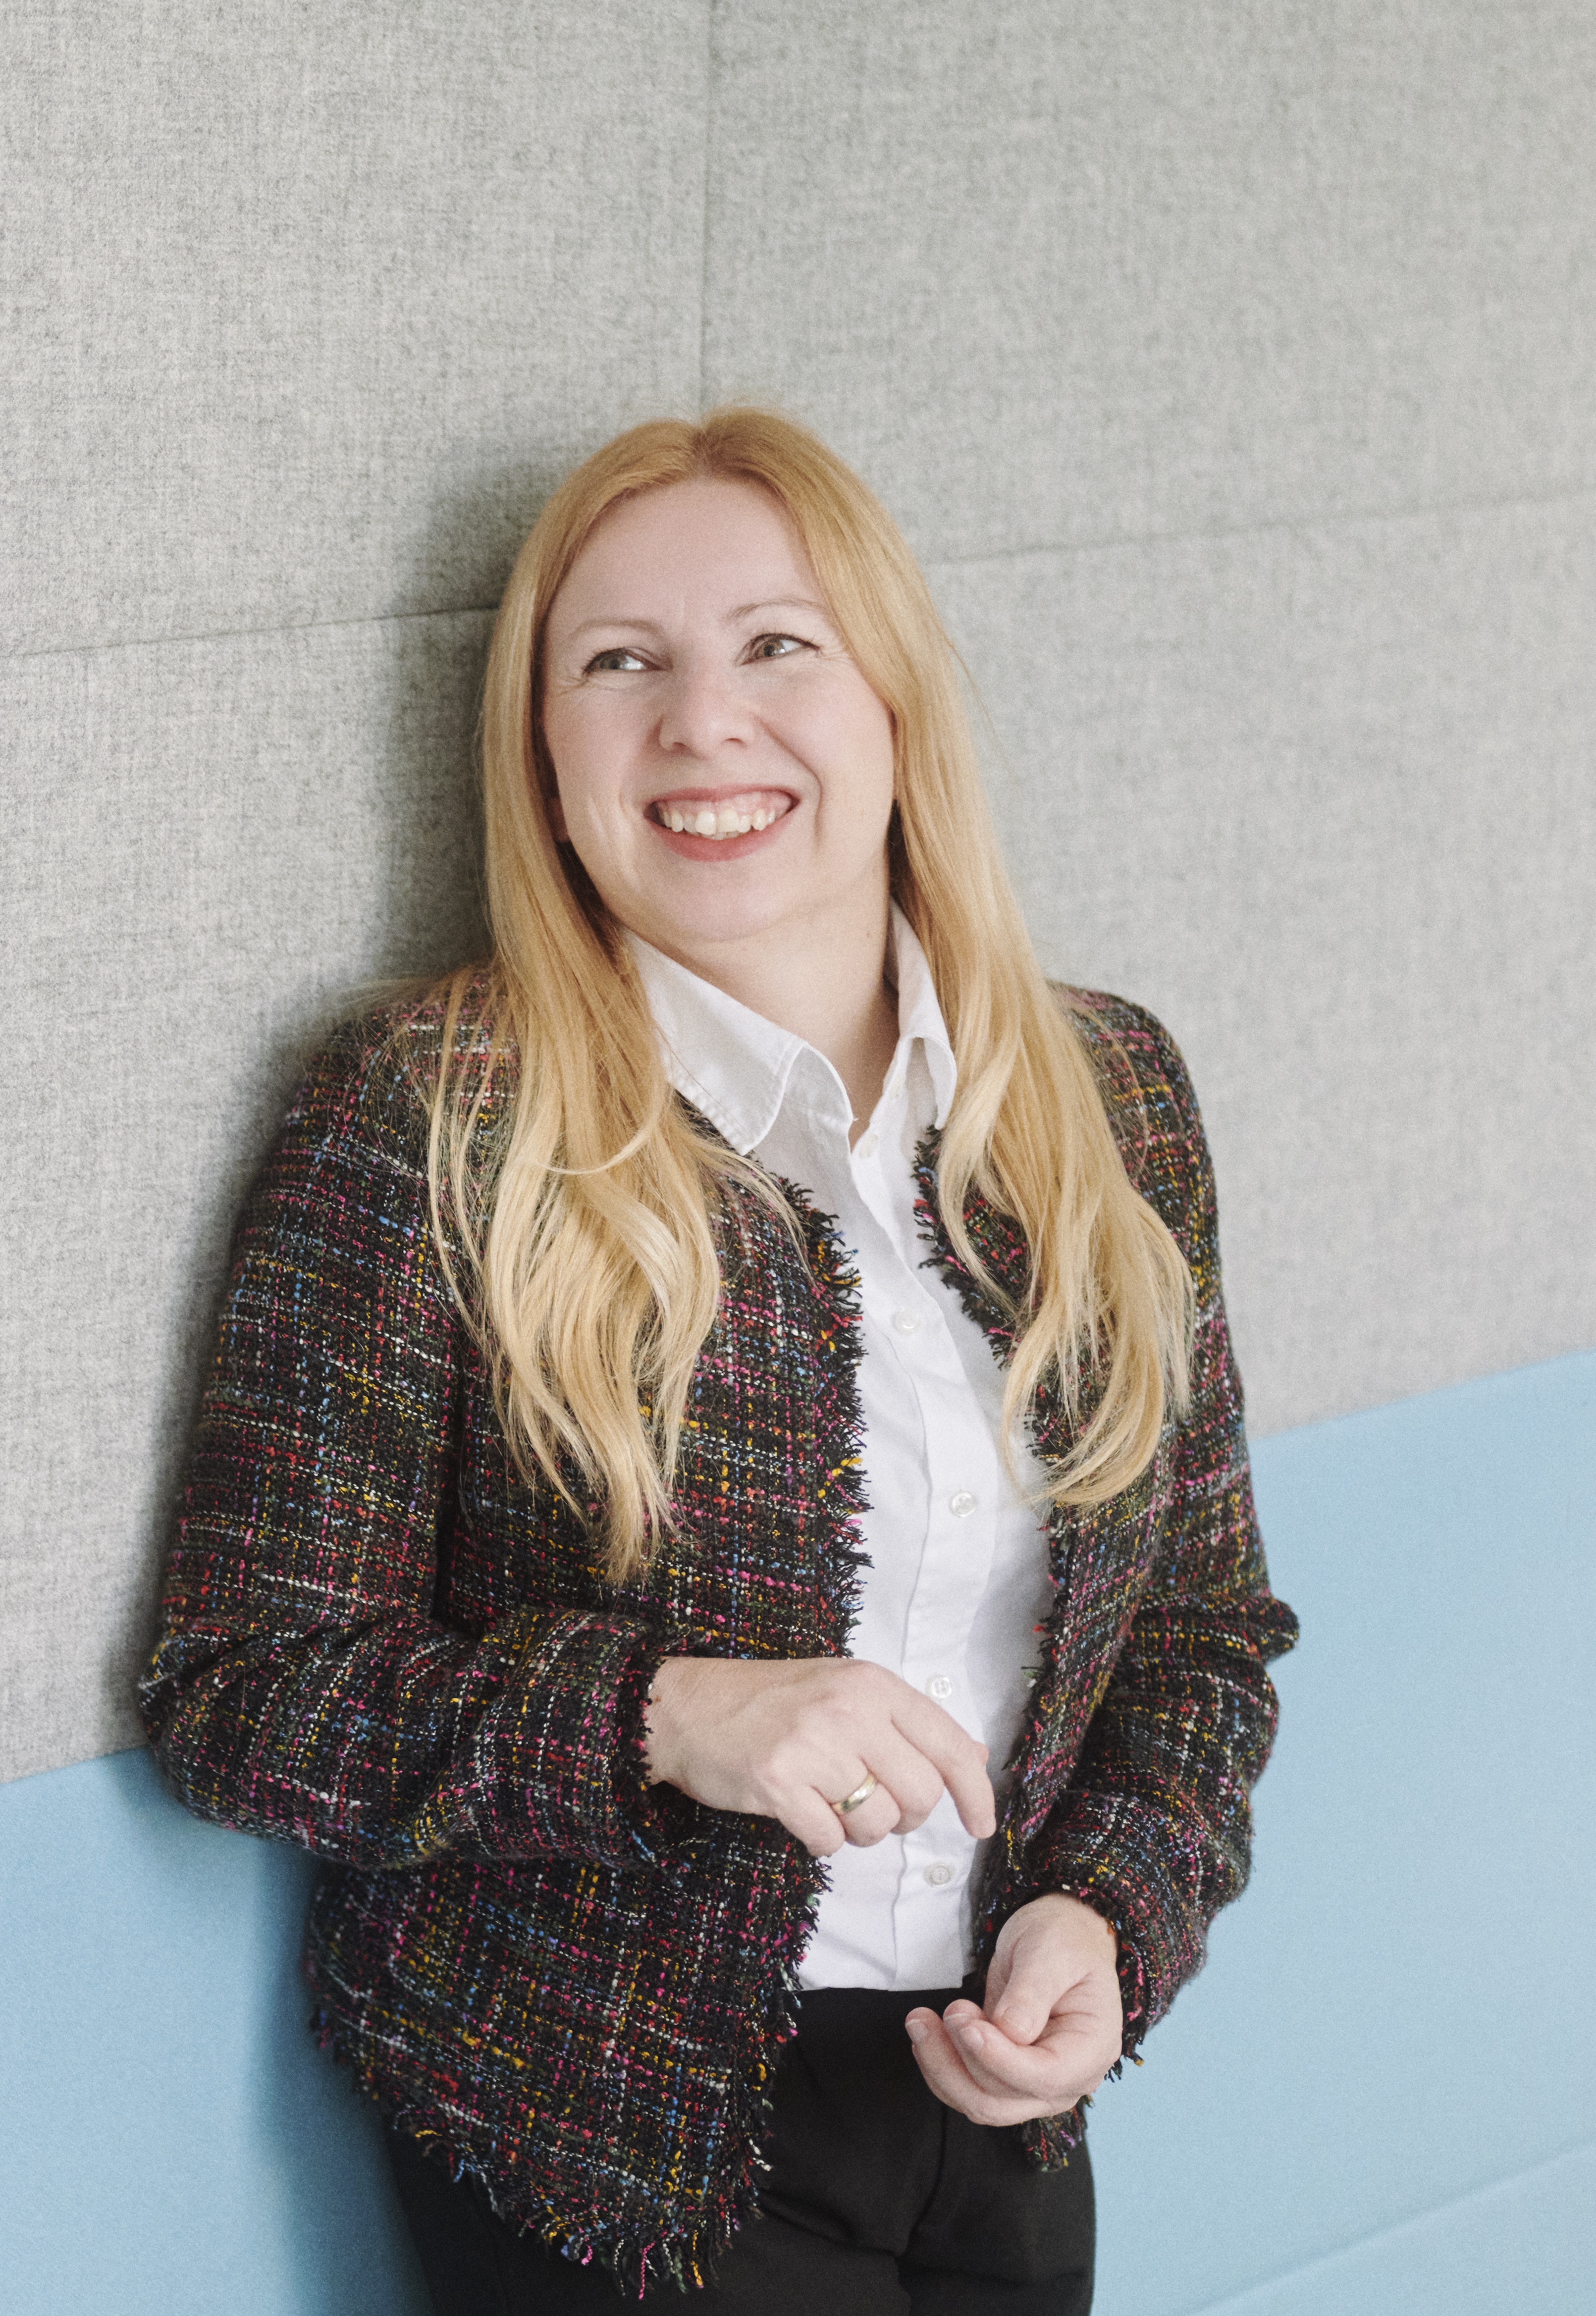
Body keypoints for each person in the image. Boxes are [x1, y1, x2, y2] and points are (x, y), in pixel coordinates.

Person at [139, 410, 1294, 2310]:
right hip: (609, 2146)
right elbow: (241, 1695)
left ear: (895, 702)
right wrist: (672, 1716)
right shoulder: (432, 1121)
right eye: (621, 665)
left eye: (779, 645)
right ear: (546, 754)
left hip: (1005, 2119)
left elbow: (1201, 1630)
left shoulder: (1108, 1101)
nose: (703, 723)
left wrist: (1114, 1914)